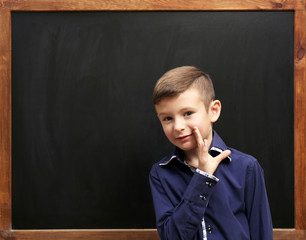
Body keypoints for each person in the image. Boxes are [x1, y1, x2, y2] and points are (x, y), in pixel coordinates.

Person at [149, 66, 273, 240]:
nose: (178, 127)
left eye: (188, 113)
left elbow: (262, 233)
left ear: (213, 111)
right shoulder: (161, 173)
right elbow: (172, 237)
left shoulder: (247, 168)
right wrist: (203, 177)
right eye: (167, 118)